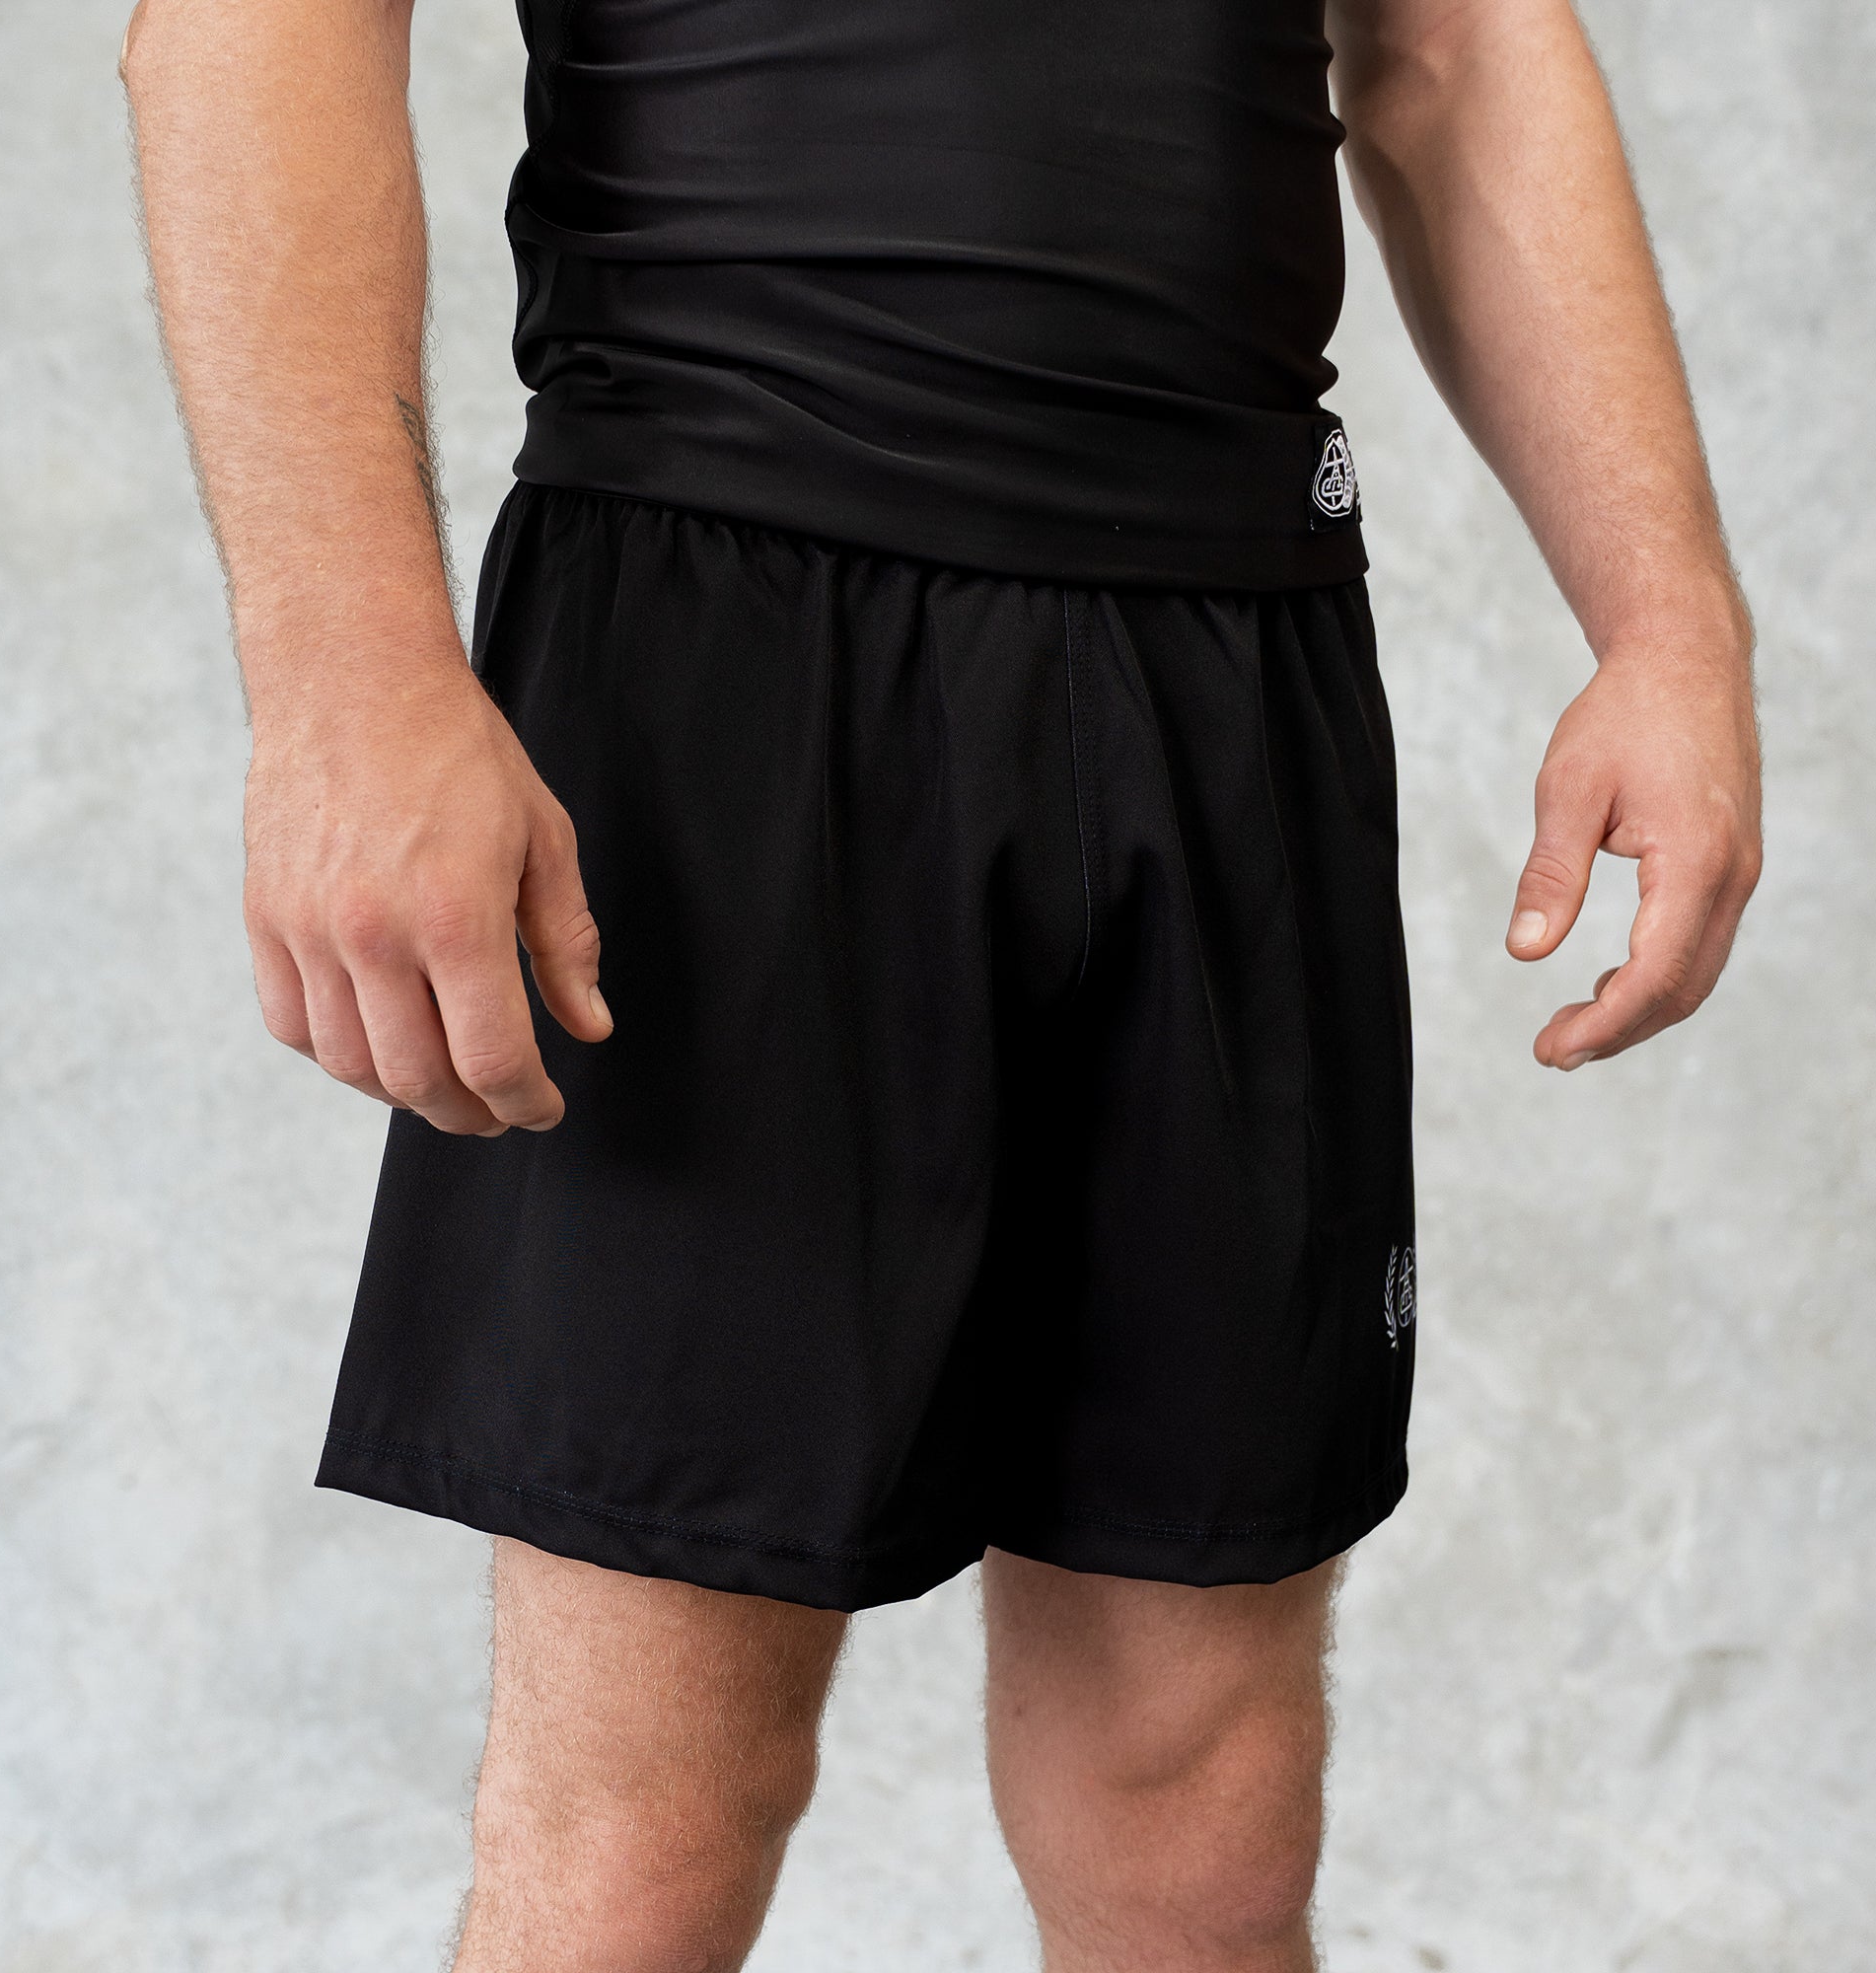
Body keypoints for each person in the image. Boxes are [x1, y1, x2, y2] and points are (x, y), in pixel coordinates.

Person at [122, 0, 1762, 1963]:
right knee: (646, 1827)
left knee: (1205, 1819)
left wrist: (1668, 621)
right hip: (728, 653)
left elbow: (1454, 44)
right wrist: (346, 669)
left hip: (1231, 654)